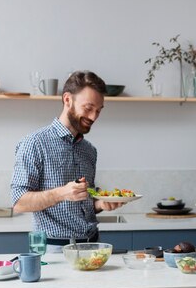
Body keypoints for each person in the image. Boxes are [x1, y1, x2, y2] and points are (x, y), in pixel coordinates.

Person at [11, 71, 123, 246]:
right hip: (55, 249)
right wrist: (62, 193)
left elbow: (84, 203)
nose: (93, 117)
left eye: (98, 111)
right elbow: (19, 202)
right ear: (67, 100)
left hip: (94, 245)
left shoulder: (89, 150)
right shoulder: (34, 143)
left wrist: (100, 204)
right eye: (88, 108)